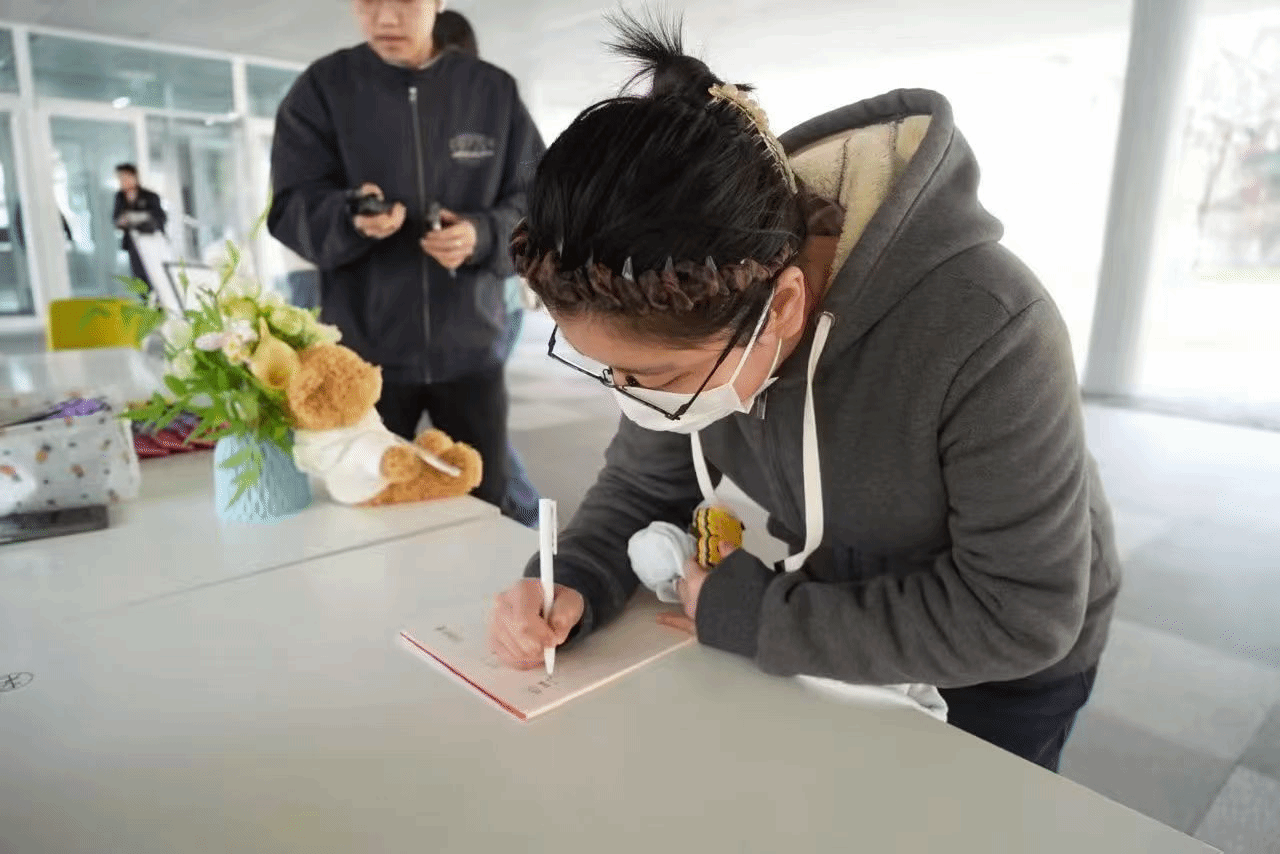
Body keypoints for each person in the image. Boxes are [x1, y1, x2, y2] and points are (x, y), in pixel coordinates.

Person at [488, 14, 1122, 773]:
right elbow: (640, 486)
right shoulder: (696, 289)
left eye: (654, 377)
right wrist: (572, 580)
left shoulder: (990, 329)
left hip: (999, 669)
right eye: (611, 372)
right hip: (832, 610)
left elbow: (1019, 614)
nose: (630, 399)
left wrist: (759, 617)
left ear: (783, 306)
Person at [268, 0, 545, 521]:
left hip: (470, 349)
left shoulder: (492, 92)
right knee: (369, 507)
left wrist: (482, 234)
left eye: (404, 1)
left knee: (485, 504)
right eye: (369, 2)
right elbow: (289, 207)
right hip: (363, 357)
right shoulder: (324, 88)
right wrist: (349, 217)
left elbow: (541, 203)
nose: (386, 19)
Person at [431, 7, 540, 528]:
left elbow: (538, 203)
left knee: (479, 433)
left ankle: (527, 521)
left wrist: (478, 232)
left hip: (487, 302)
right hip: (425, 313)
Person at [112, 164, 167, 288]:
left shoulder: (150, 196)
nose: (123, 181)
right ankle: (145, 299)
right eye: (120, 178)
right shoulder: (120, 197)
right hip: (133, 243)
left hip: (151, 241)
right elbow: (116, 219)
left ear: (134, 177)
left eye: (126, 177)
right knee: (138, 277)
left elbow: (160, 218)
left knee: (155, 275)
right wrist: (124, 221)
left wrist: (138, 218)